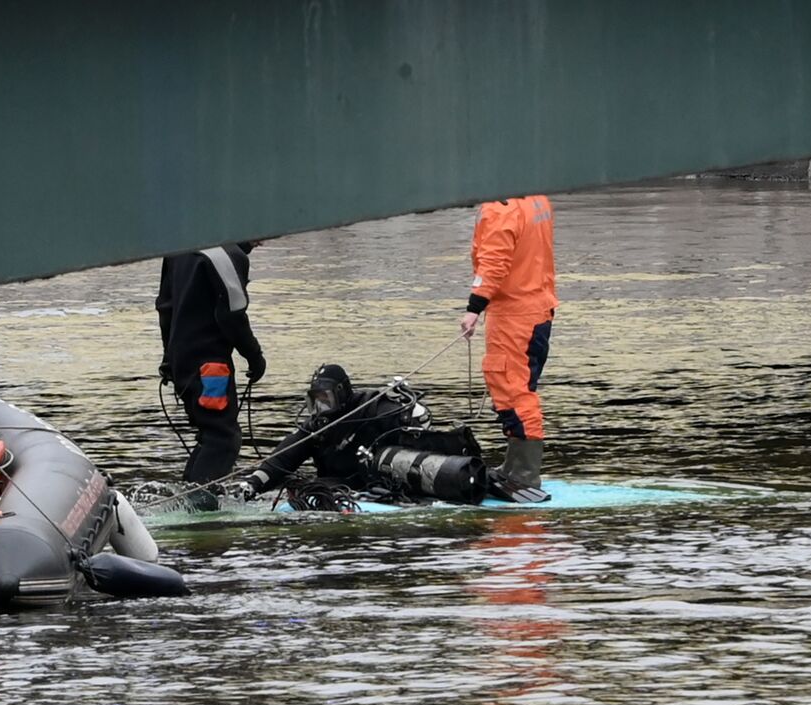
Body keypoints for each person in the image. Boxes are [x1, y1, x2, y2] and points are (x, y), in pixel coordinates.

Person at [231, 363, 479, 499]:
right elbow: (282, 459)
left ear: (341, 393)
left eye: (325, 399)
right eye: (314, 401)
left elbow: (420, 430)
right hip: (340, 487)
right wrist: (252, 484)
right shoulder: (317, 427)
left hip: (380, 485)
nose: (320, 408)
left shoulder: (373, 409)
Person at [459, 195, 558, 501]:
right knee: (521, 388)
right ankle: (515, 467)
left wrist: (474, 308)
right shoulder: (537, 198)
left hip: (514, 314)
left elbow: (494, 262)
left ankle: (524, 474)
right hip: (537, 307)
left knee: (514, 392)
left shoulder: (499, 209)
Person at [155, 243, 266, 489]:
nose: (261, 243)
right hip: (210, 367)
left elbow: (165, 307)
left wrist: (169, 359)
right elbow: (232, 315)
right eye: (260, 238)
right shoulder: (227, 255)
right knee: (223, 439)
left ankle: (186, 497)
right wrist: (255, 356)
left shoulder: (178, 250)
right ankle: (199, 504)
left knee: (210, 435)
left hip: (182, 362)